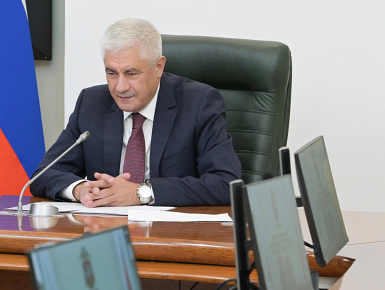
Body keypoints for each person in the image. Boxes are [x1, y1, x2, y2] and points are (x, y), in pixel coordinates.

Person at [29, 18, 242, 207]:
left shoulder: (198, 103)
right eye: (112, 73)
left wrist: (140, 193)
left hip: (171, 233)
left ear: (158, 67)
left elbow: (226, 184)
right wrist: (80, 190)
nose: (120, 87)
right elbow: (43, 175)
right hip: (107, 231)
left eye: (131, 73)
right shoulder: (92, 103)